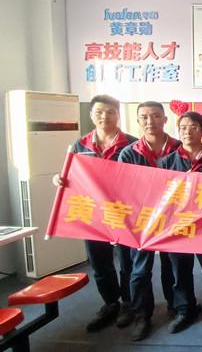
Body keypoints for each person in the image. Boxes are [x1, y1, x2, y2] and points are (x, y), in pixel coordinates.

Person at [54, 95, 137, 332]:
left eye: (110, 112)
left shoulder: (131, 144)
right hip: (92, 214)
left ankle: (128, 304)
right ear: (91, 115)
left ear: (118, 115)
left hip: (124, 213)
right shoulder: (80, 145)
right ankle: (110, 303)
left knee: (128, 262)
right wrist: (59, 179)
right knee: (99, 262)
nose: (105, 116)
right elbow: (71, 175)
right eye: (99, 112)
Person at [118, 101, 181, 341]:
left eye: (155, 116)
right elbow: (122, 188)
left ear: (165, 119)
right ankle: (141, 316)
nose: (149, 121)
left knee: (173, 266)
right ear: (138, 121)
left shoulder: (179, 148)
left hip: (174, 218)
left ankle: (176, 307)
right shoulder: (129, 153)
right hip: (142, 221)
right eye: (144, 117)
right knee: (139, 270)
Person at [157, 112, 202, 334]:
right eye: (183, 128)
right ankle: (184, 310)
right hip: (178, 225)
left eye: (193, 127)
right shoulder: (167, 162)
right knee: (180, 271)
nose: (187, 131)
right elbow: (160, 194)